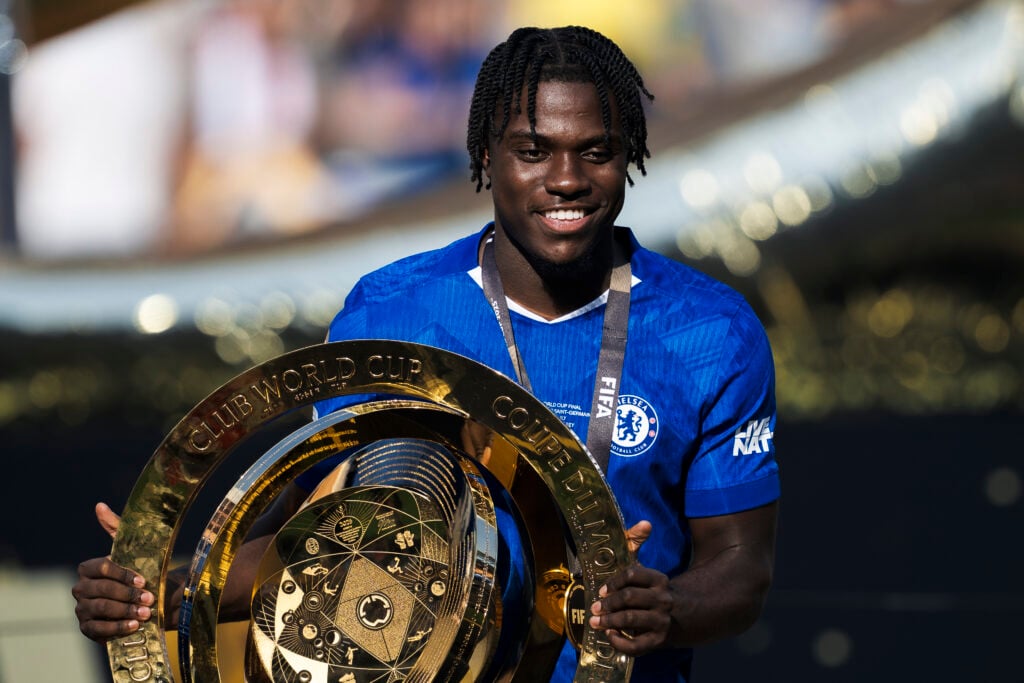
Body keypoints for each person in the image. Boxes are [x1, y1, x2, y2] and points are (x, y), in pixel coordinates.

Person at [73, 25, 779, 682]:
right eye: (533, 151)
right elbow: (309, 531)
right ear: (485, 155)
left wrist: (667, 609)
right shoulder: (391, 314)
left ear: (630, 156)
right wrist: (167, 590)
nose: (566, 179)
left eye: (596, 151)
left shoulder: (711, 332)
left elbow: (741, 566)